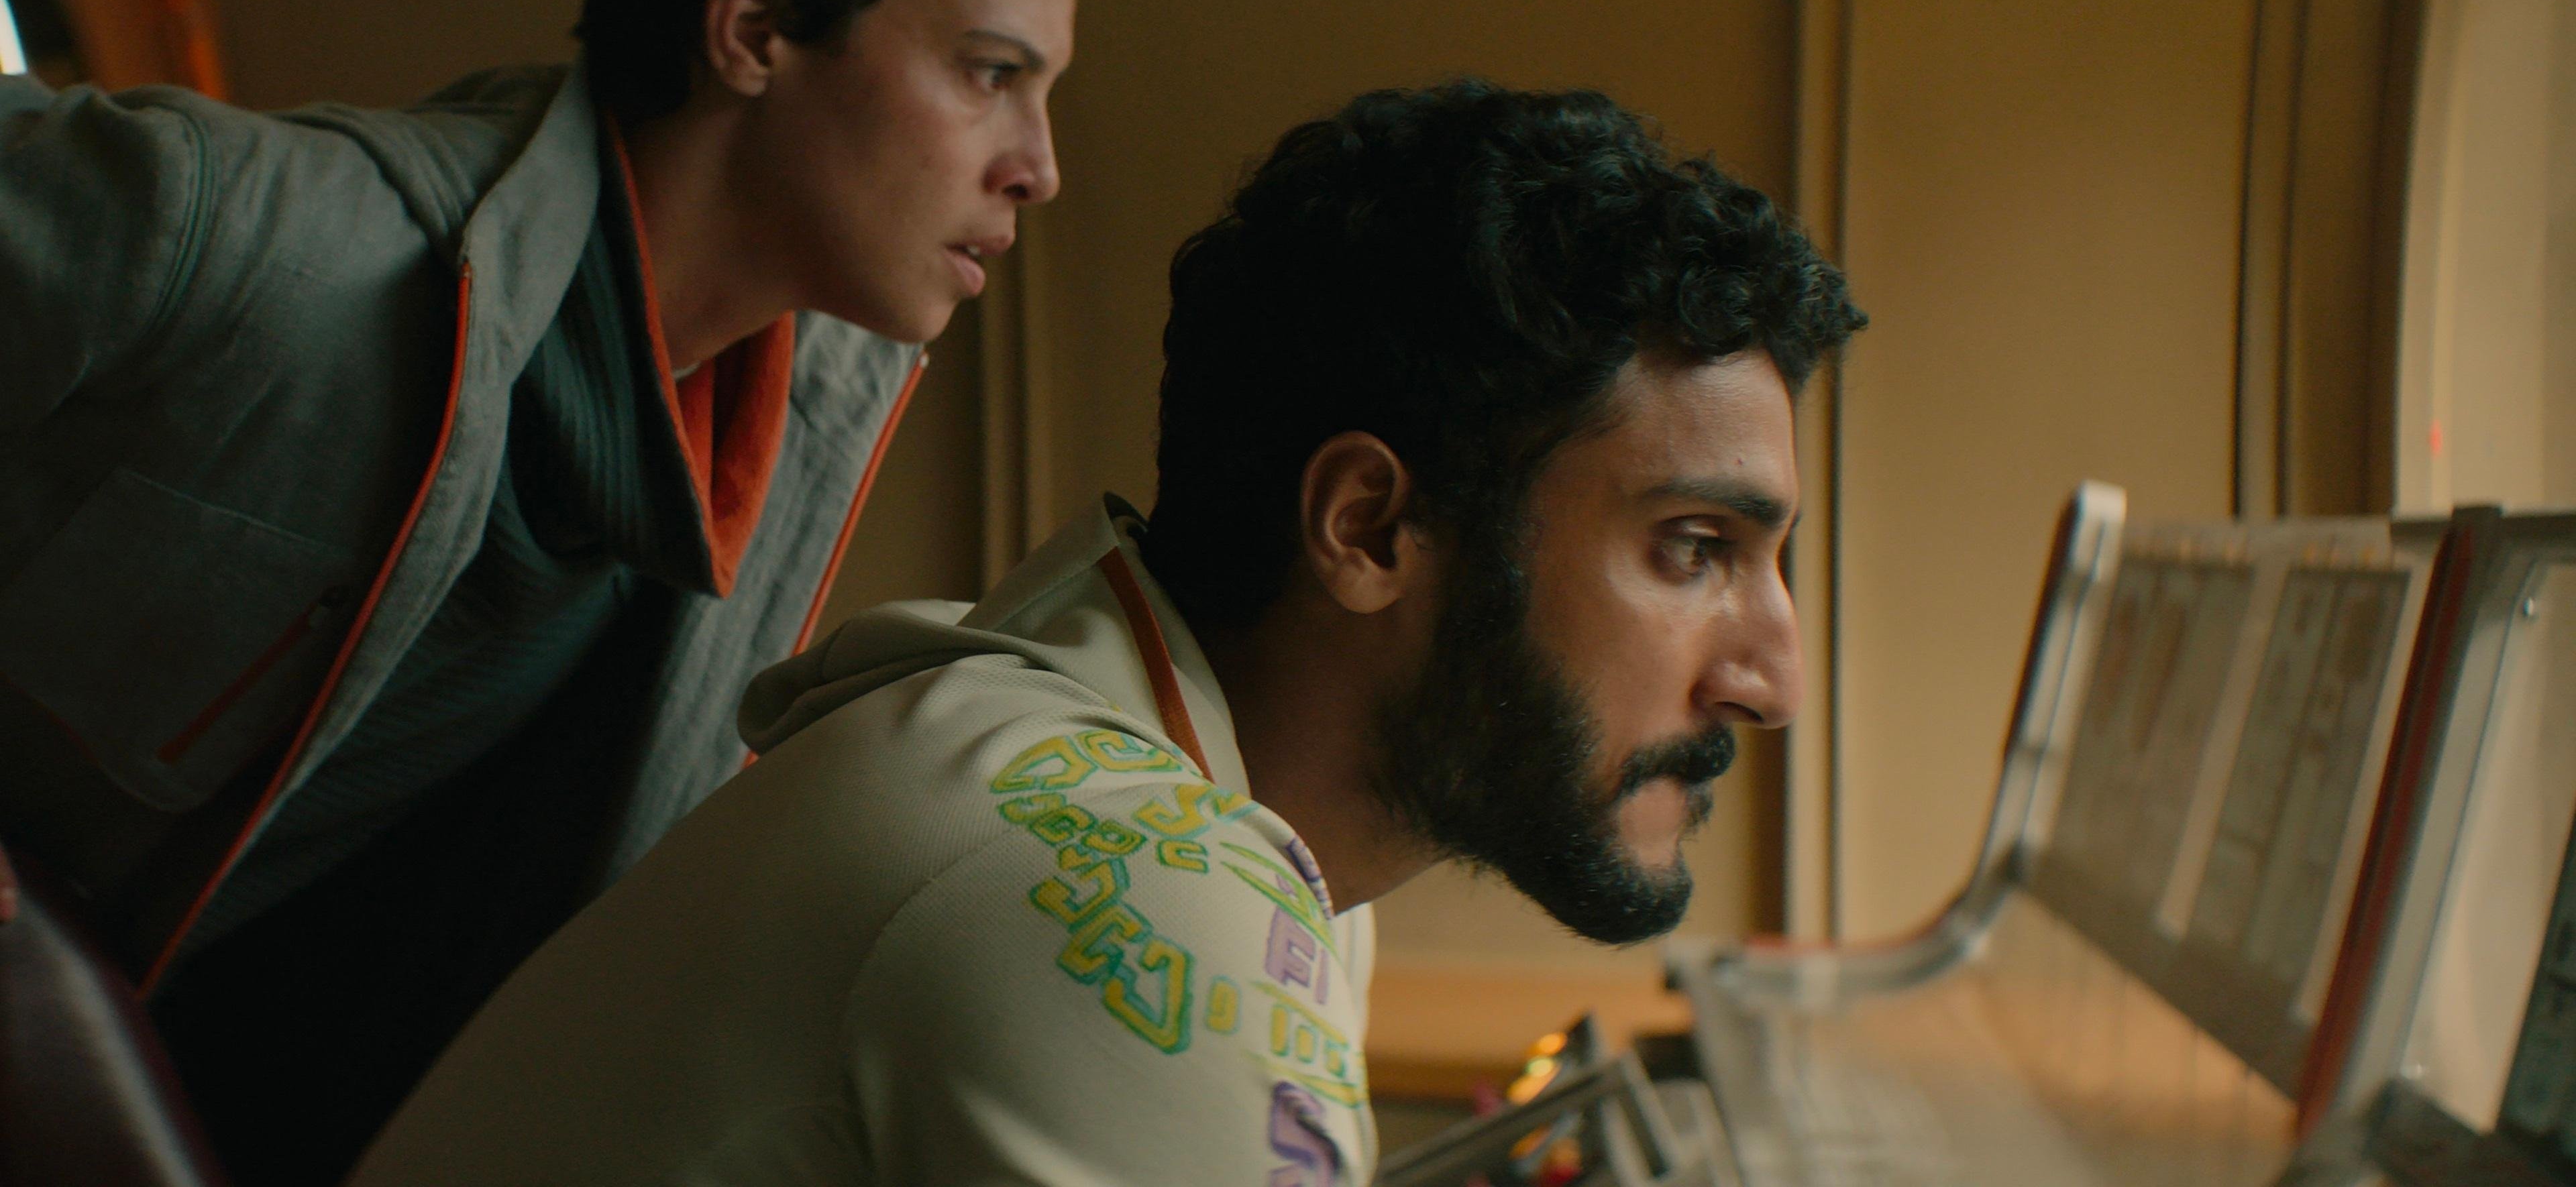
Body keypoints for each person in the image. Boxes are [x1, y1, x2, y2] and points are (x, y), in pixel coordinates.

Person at [352, 80, 1868, 1184]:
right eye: (1696, 550)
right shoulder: (1148, 887)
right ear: (1367, 529)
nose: (1774, 677)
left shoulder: (1198, 824)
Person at [0, 0, 1085, 1179]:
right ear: (755, 32)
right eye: (992, 74)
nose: (1038, 164)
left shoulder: (793, 455)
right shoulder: (259, 236)